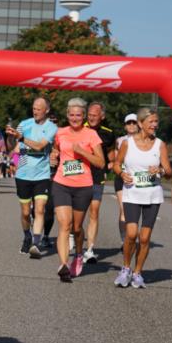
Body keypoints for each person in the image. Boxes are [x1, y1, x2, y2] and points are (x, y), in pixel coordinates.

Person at [112, 107, 172, 288]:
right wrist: (122, 174)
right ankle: (125, 268)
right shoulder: (127, 143)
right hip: (132, 193)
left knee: (145, 238)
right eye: (151, 122)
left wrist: (160, 170)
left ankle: (138, 272)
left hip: (152, 195)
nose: (154, 125)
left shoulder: (160, 144)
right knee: (131, 234)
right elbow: (117, 164)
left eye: (156, 122)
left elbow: (169, 171)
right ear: (140, 124)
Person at [50, 98, 105, 282]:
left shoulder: (91, 135)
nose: (75, 118)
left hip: (83, 186)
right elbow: (56, 149)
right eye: (71, 115)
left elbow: (100, 162)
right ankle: (64, 264)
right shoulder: (60, 133)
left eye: (78, 115)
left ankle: (79, 253)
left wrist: (82, 152)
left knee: (76, 228)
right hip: (61, 184)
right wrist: (54, 155)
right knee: (64, 224)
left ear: (83, 117)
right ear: (67, 115)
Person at [6, 97, 58, 258]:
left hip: (42, 174)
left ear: (46, 110)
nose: (35, 111)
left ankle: (36, 243)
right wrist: (10, 137)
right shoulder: (24, 123)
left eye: (39, 109)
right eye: (34, 108)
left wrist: (21, 139)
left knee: (40, 209)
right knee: (25, 212)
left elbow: (40, 146)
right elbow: (15, 147)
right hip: (23, 174)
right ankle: (27, 236)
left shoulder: (51, 127)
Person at [80, 102, 117, 263]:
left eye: (95, 115)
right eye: (89, 114)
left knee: (94, 212)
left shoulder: (108, 133)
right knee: (77, 214)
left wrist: (111, 164)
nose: (92, 117)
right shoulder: (79, 129)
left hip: (96, 177)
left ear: (102, 116)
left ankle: (89, 249)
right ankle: (75, 236)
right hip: (79, 176)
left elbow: (111, 155)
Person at [115, 114, 140, 244]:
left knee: (134, 211)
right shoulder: (120, 140)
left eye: (134, 123)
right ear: (125, 126)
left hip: (137, 179)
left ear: (139, 124)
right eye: (128, 123)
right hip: (122, 177)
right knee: (124, 209)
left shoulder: (145, 140)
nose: (131, 125)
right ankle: (124, 240)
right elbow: (115, 160)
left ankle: (131, 234)